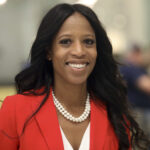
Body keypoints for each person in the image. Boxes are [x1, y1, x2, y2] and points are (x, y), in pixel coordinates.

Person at [0, 3, 150, 150]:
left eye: (88, 42)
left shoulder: (115, 113)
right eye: (65, 42)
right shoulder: (15, 109)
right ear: (48, 52)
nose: (79, 51)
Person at [120, 45, 150, 137]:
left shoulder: (133, 68)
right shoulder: (131, 68)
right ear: (136, 54)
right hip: (139, 112)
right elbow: (147, 86)